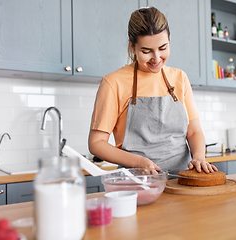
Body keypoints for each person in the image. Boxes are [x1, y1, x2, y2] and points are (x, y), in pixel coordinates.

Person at [88, 6, 217, 175]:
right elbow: (96, 143)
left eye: (163, 48)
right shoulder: (113, 82)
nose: (156, 58)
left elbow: (193, 131)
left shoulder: (179, 78)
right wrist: (137, 162)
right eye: (146, 51)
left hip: (182, 179)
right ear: (132, 47)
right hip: (138, 181)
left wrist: (199, 156)